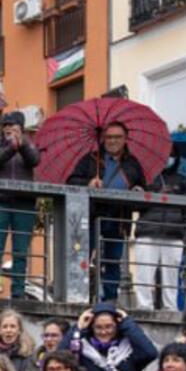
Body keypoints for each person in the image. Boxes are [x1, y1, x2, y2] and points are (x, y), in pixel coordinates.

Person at [67, 122, 147, 304]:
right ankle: (79, 296)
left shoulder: (132, 163)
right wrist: (88, 183)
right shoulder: (91, 160)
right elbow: (70, 181)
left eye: (117, 137)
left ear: (125, 139)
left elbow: (143, 186)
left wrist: (138, 190)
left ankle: (109, 300)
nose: (113, 141)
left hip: (118, 219)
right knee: (83, 257)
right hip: (91, 216)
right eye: (109, 137)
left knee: (113, 261)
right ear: (103, 139)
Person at [0, 112, 41, 299]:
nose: (8, 129)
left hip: (24, 203)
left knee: (21, 251)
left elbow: (35, 160)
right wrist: (10, 148)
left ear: (21, 129)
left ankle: (18, 292)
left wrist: (21, 146)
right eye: (6, 126)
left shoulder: (29, 145)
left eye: (13, 126)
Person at [133, 152, 186, 313]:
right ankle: (144, 306)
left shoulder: (183, 181)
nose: (168, 158)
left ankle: (170, 307)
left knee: (171, 275)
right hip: (147, 231)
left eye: (172, 154)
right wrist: (149, 194)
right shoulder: (146, 178)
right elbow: (136, 206)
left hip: (173, 233)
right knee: (144, 273)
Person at [72, 304, 158, 371]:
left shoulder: (129, 351)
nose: (104, 332)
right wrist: (78, 328)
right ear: (91, 328)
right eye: (98, 327)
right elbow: (60, 357)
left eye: (109, 326)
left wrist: (127, 323)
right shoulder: (83, 351)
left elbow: (150, 352)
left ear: (117, 327)